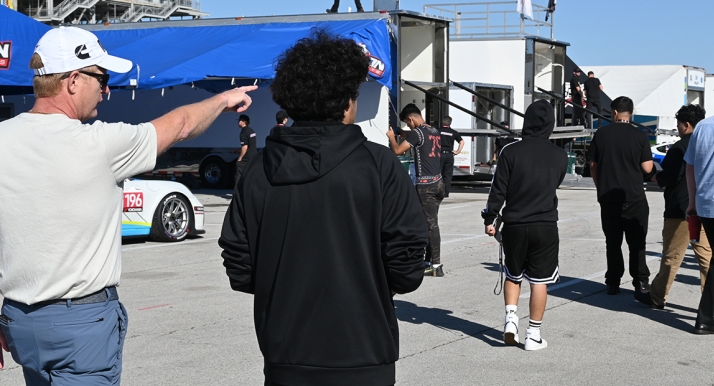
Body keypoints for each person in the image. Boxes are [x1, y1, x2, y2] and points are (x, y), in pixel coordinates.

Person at [0, 26, 256, 384]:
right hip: (81, 325)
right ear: (73, 80)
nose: (106, 89)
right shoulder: (100, 144)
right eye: (101, 78)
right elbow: (180, 125)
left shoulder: (3, 138)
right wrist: (221, 100)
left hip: (19, 321)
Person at [219, 30, 428, 385]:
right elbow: (407, 268)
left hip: (285, 355)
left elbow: (240, 268)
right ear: (348, 101)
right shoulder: (379, 165)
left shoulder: (257, 170)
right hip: (364, 353)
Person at [482, 100, 568, 351]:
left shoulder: (510, 151)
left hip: (515, 224)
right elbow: (555, 183)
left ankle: (510, 320)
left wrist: (490, 218)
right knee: (540, 281)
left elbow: (498, 189)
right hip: (545, 223)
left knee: (513, 273)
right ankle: (533, 334)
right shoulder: (559, 155)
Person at [649, 104, 714, 313]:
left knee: (672, 256)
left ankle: (657, 297)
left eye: (679, 124)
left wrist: (655, 176)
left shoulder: (680, 147)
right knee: (706, 256)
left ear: (686, 125)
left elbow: (671, 176)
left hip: (681, 209)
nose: (678, 128)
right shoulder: (709, 142)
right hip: (705, 207)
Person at [586, 96, 653, 301]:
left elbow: (593, 165)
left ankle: (613, 281)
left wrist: (601, 188)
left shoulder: (602, 134)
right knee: (637, 243)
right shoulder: (640, 136)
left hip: (608, 198)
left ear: (614, 113)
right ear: (630, 113)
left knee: (613, 242)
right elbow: (648, 168)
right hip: (634, 197)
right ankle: (640, 281)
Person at [685, 83, 714, 334]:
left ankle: (709, 314)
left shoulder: (702, 127)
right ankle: (705, 317)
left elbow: (689, 167)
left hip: (705, 203)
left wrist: (692, 202)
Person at [387, 104, 446, 277]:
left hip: (426, 186)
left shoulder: (417, 133)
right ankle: (428, 261)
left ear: (411, 119)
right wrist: (404, 135)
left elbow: (397, 151)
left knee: (430, 225)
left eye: (407, 122)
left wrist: (392, 137)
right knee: (430, 223)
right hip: (438, 182)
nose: (408, 125)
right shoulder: (434, 131)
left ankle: (436, 265)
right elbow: (421, 143)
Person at [439, 116, 464, 198]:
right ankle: (446, 193)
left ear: (443, 122)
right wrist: (457, 152)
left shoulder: (438, 131)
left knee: (438, 173)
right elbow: (462, 142)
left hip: (440, 154)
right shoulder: (453, 132)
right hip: (449, 155)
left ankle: (438, 191)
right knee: (448, 175)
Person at [235, 114, 257, 185]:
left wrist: (240, 158)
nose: (238, 122)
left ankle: (237, 194)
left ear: (243, 122)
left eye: (239, 120)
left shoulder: (243, 133)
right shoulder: (251, 131)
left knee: (239, 176)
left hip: (246, 159)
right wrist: (238, 151)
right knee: (250, 176)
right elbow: (250, 145)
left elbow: (245, 147)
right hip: (253, 157)